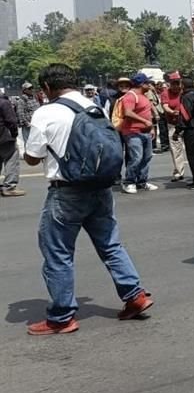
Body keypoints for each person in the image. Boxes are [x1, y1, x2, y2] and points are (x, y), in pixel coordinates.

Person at [23, 63, 153, 335]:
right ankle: (135, 295)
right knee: (110, 244)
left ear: (46, 88)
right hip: (101, 186)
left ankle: (61, 316)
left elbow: (33, 158)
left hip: (67, 190)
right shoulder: (93, 106)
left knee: (58, 253)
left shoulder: (46, 112)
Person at [119, 73, 158, 195]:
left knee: (146, 157)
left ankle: (142, 181)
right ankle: (129, 182)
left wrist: (151, 128)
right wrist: (144, 121)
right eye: (147, 83)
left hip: (145, 132)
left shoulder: (144, 96)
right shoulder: (130, 96)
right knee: (136, 158)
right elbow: (128, 113)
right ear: (142, 84)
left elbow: (146, 113)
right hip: (133, 132)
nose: (150, 85)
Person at [160, 74, 187, 182]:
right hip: (173, 123)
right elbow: (165, 106)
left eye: (177, 83)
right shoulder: (165, 93)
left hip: (186, 124)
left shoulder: (184, 92)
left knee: (192, 150)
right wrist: (173, 112)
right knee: (176, 149)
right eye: (173, 83)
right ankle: (179, 172)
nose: (176, 86)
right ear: (169, 84)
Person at [1, 90, 24, 197]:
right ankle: (9, 186)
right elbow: (11, 121)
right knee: (11, 159)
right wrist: (14, 135)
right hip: (4, 137)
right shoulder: (4, 102)